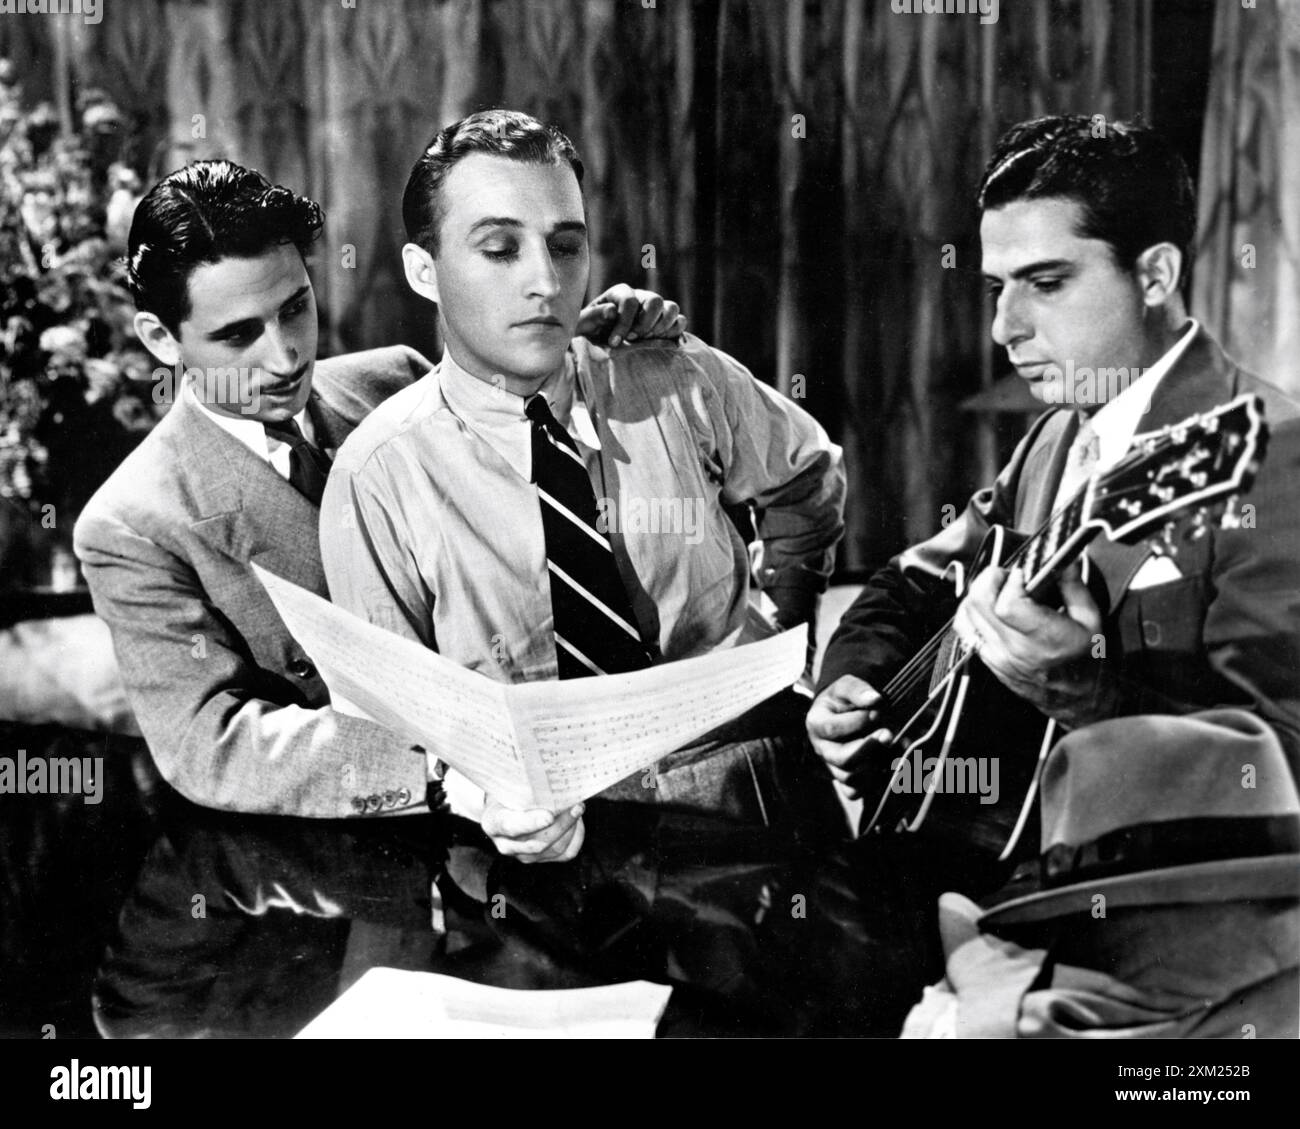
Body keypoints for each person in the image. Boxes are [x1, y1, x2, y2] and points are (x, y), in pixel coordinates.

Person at [803, 114, 1300, 1034]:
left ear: (1154, 275)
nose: (1004, 327)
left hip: (1127, 916)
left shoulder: (1270, 452)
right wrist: (856, 677)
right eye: (995, 288)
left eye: (1045, 283)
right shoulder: (1058, 434)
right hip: (969, 853)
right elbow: (917, 578)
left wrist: (1092, 694)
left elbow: (1280, 771)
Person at [73, 158, 683, 818]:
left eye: (295, 308)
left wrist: (597, 348)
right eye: (239, 334)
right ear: (161, 339)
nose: (284, 357)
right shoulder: (132, 521)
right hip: (373, 858)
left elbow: (538, 452)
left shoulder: (392, 380)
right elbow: (211, 743)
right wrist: (443, 772)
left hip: (582, 751)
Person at [321, 109, 846, 862]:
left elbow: (809, 475)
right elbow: (389, 722)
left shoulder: (672, 374)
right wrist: (485, 800)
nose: (545, 280)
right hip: (540, 849)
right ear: (422, 271)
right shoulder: (378, 477)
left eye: (566, 245)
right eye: (500, 248)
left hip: (750, 801)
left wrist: (780, 617)